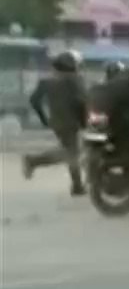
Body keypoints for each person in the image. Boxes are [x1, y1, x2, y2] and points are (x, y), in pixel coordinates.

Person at [21, 50, 88, 196]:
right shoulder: (74, 80)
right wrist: (85, 121)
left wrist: (44, 118)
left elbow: (34, 100)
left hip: (56, 122)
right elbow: (82, 102)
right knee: (71, 153)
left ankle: (77, 186)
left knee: (71, 152)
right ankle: (33, 161)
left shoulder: (47, 81)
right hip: (71, 122)